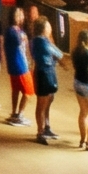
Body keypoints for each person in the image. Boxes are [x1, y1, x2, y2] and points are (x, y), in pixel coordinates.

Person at [29, 12, 63, 143]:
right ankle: (40, 132)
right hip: (43, 73)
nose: (51, 29)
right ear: (43, 28)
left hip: (48, 72)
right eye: (49, 27)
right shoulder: (40, 41)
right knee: (42, 104)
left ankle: (46, 127)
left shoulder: (44, 40)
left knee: (48, 102)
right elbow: (57, 53)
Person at [2, 8, 31, 126]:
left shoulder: (17, 30)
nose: (22, 17)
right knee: (28, 91)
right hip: (19, 65)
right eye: (19, 14)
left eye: (22, 14)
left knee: (16, 90)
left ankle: (14, 113)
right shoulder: (12, 31)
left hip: (16, 64)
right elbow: (19, 41)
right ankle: (19, 115)